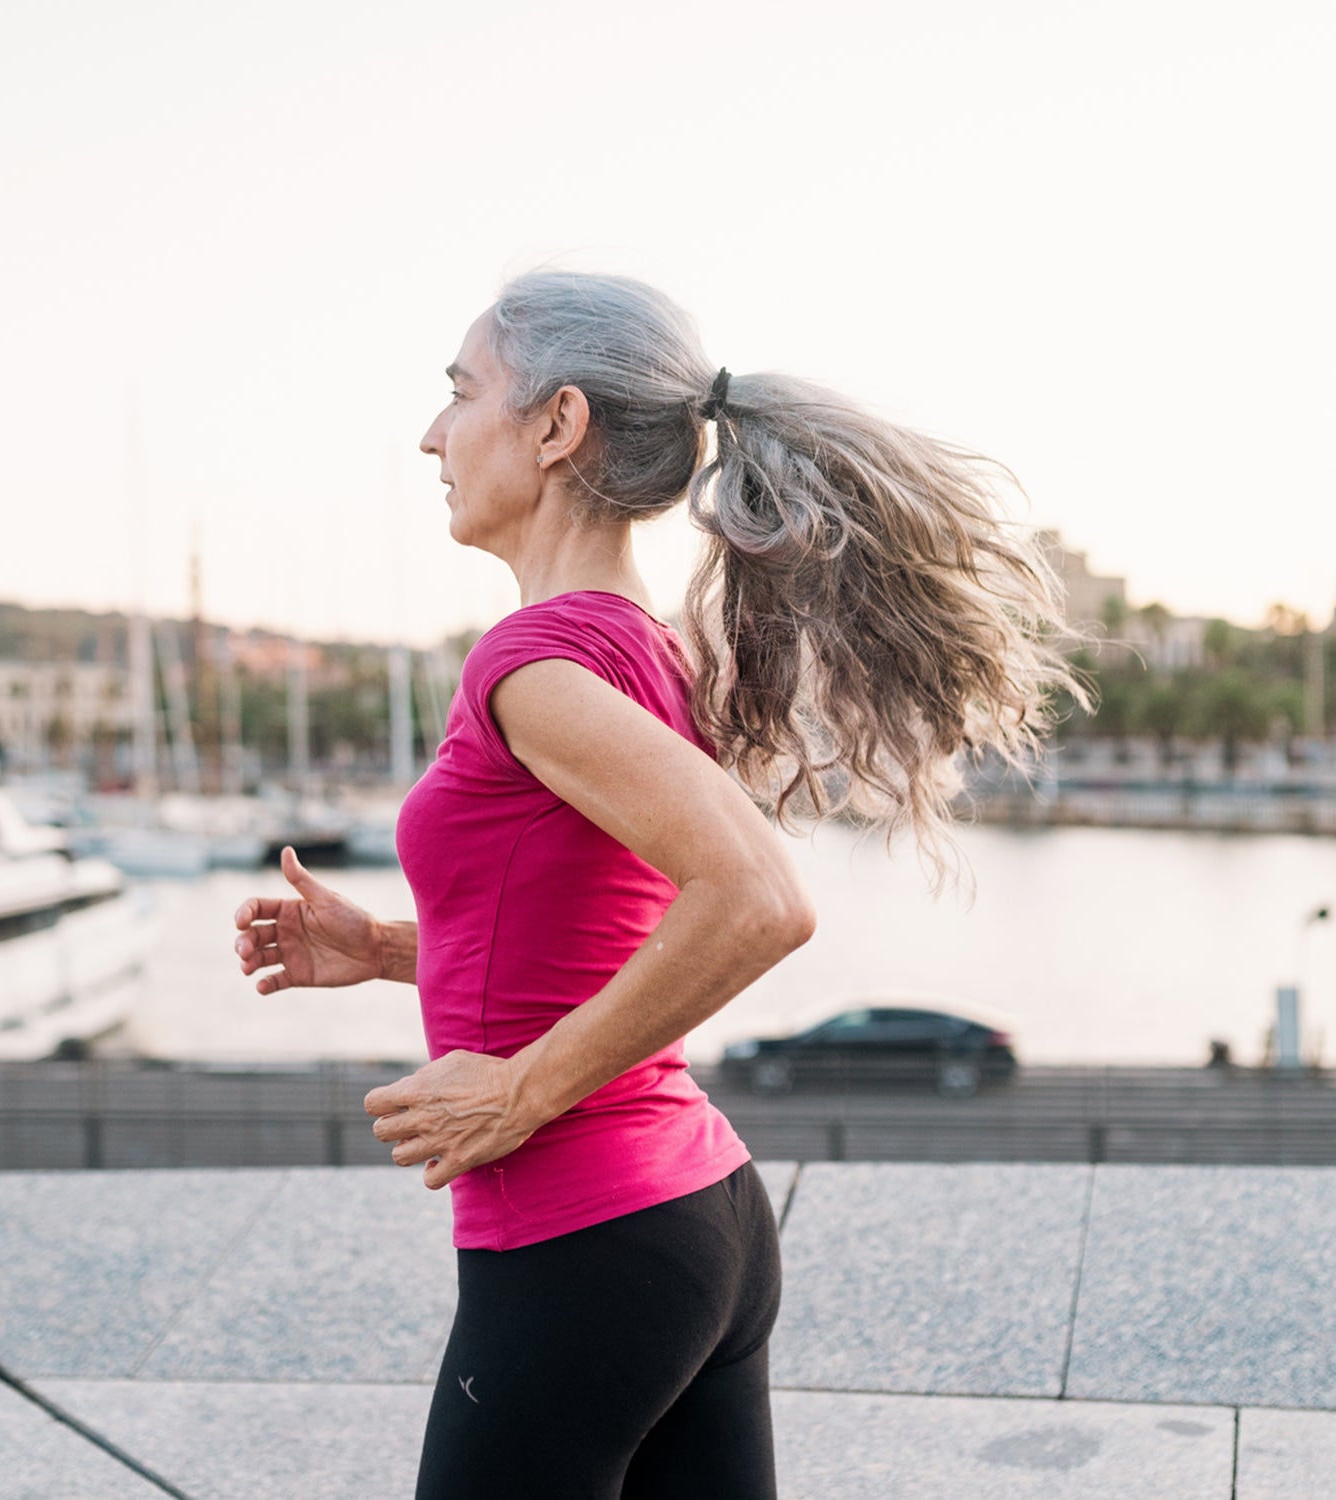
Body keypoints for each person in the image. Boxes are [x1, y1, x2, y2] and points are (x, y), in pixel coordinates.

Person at [233, 271, 1078, 1498]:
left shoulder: (534, 667)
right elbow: (598, 916)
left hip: (587, 1242)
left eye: (461, 393)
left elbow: (757, 902)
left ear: (557, 426)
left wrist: (520, 1092)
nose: (431, 434)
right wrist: (389, 948)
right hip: (695, 1222)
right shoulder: (647, 648)